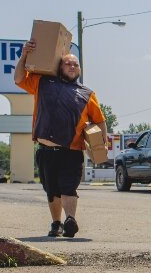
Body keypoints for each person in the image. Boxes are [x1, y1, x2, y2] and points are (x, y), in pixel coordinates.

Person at [14, 39, 107, 238]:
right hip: (46, 151)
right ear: (59, 66)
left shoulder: (87, 94)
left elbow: (99, 121)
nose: (72, 66)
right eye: (68, 63)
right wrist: (24, 55)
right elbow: (19, 79)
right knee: (51, 191)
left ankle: (70, 219)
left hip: (71, 151)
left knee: (68, 187)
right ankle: (56, 223)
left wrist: (101, 144)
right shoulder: (42, 82)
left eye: (76, 64)